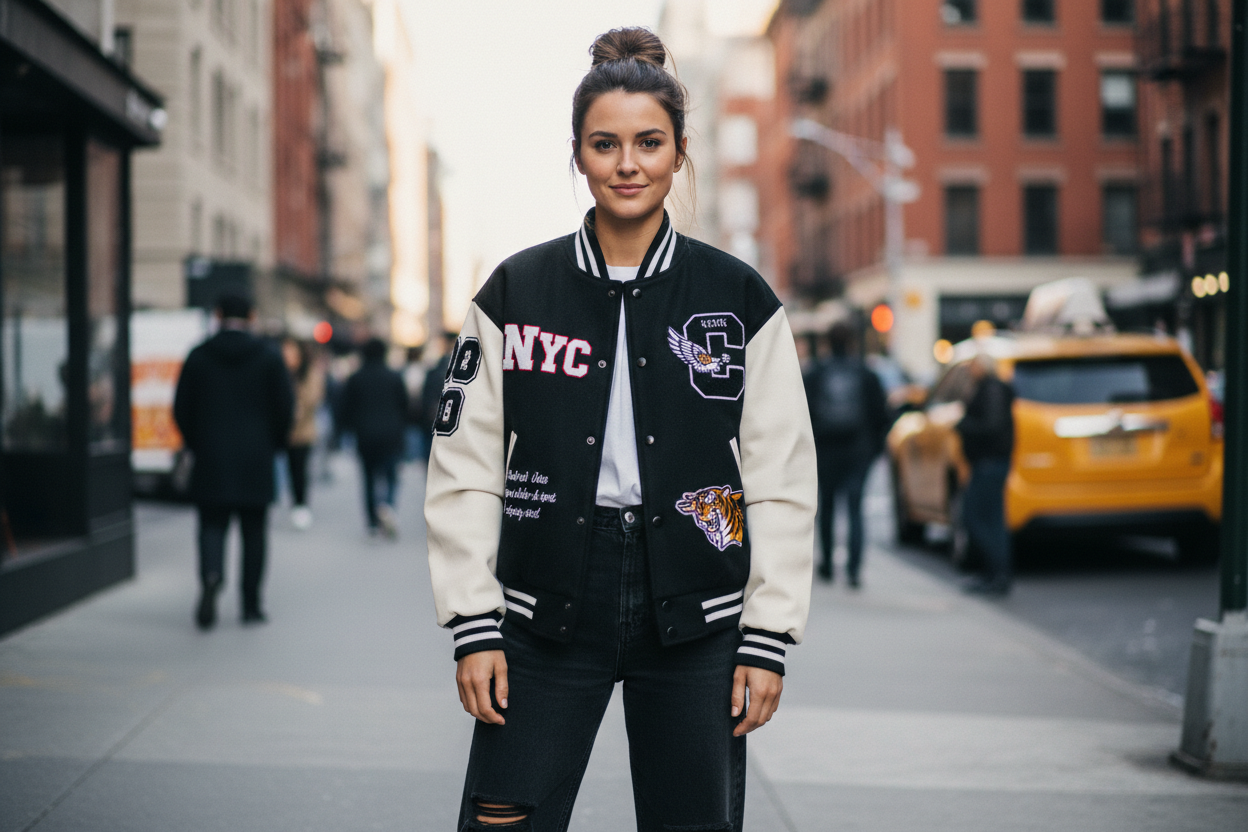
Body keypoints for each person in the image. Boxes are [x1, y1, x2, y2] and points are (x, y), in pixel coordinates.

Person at [424, 28, 816, 831]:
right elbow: (463, 468)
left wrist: (768, 634)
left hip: (699, 611)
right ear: (578, 155)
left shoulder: (738, 297)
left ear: (679, 153)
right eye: (605, 144)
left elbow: (780, 477)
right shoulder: (514, 291)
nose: (627, 164)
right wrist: (472, 624)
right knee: (505, 818)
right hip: (544, 608)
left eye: (648, 143)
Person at [173, 294, 294, 629]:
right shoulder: (269, 358)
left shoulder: (198, 356)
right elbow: (285, 408)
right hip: (256, 458)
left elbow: (181, 408)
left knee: (212, 525)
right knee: (254, 532)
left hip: (211, 457)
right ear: (252, 315)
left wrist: (197, 443)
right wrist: (273, 443)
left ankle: (212, 577)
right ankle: (251, 603)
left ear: (217, 314)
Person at [803, 323, 889, 587]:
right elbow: (882, 416)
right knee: (855, 509)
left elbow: (801, 415)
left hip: (825, 451)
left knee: (826, 507)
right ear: (852, 342)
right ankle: (853, 570)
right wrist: (873, 451)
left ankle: (828, 564)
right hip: (857, 451)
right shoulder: (866, 374)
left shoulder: (815, 374)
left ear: (828, 342)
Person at [956, 353, 1016, 596]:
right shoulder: (989, 388)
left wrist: (964, 426)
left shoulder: (991, 390)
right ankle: (992, 573)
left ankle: (996, 573)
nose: (971, 369)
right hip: (988, 463)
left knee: (977, 517)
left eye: (974, 365)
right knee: (990, 519)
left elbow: (992, 425)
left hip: (989, 463)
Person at [339, 338, 408, 537]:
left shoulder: (356, 378)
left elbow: (346, 409)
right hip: (391, 435)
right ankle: (387, 505)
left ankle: (371, 524)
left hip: (365, 436)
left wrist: (348, 430)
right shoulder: (394, 377)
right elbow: (404, 406)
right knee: (391, 475)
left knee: (368, 479)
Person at [281, 337, 324, 530]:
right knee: (290, 469)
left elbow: (313, 399)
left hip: (303, 431)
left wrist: (297, 409)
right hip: (284, 430)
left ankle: (301, 504)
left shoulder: (309, 373)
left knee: (300, 468)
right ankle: (295, 503)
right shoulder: (281, 372)